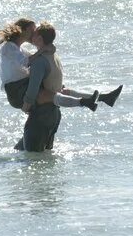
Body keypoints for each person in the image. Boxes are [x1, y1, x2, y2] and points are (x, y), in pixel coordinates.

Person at [14, 22, 122, 152]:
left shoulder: (39, 61)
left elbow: (33, 88)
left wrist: (26, 104)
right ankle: (102, 98)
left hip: (41, 116)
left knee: (32, 159)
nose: (31, 37)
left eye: (34, 35)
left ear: (40, 39)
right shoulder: (53, 56)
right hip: (54, 115)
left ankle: (94, 100)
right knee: (25, 151)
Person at [0, 18, 122, 112]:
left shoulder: (20, 49)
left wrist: (47, 50)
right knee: (52, 95)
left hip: (23, 84)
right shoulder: (9, 48)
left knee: (62, 89)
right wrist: (43, 50)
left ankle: (104, 98)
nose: (34, 34)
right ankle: (84, 103)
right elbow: (27, 62)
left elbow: (33, 57)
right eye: (32, 31)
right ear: (23, 31)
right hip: (16, 90)